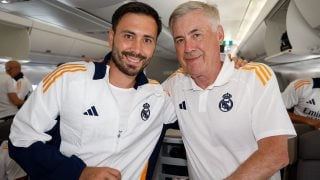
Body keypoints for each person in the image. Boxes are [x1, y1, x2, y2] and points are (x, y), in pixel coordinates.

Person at [8, 2, 177, 180]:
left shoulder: (158, 96)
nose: (137, 49)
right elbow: (21, 139)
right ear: (111, 38)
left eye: (147, 40)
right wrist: (79, 172)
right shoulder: (69, 78)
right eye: (129, 36)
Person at [162, 1, 296, 179]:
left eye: (196, 35)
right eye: (180, 40)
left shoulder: (254, 77)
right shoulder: (176, 84)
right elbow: (134, 100)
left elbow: (275, 155)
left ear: (219, 35)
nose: (188, 48)